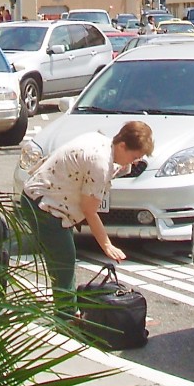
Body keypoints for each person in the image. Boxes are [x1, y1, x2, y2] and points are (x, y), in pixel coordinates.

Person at [19, 121, 154, 311]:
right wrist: (107, 245)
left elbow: (97, 169)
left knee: (62, 259)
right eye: (134, 156)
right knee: (63, 262)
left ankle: (67, 313)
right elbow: (89, 209)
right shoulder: (99, 162)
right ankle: (66, 317)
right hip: (44, 205)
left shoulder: (100, 140)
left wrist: (127, 167)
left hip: (39, 195)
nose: (134, 161)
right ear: (122, 145)